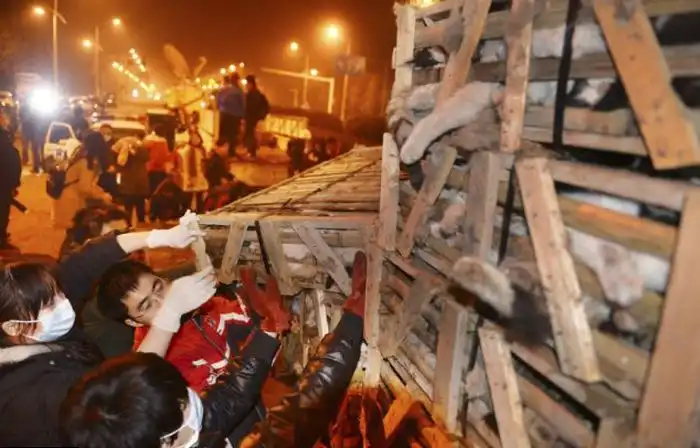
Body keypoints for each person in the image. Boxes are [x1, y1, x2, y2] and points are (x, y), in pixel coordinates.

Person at [60, 251, 367, 448]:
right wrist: (352, 324)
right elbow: (298, 414)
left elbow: (229, 396)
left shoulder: (168, 417)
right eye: (183, 401)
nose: (163, 302)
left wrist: (268, 332)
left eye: (159, 288)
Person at [0, 216, 216, 446]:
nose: (64, 302)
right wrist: (169, 314)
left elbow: (84, 263)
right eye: (51, 304)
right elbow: (125, 392)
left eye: (59, 293)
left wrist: (159, 237)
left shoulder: (34, 320)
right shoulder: (33, 394)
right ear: (13, 326)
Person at [95, 261, 289, 443]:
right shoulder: (155, 369)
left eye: (158, 287)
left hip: (283, 418)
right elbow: (219, 407)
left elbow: (253, 323)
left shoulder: (205, 306)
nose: (162, 301)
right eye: (147, 305)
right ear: (133, 322)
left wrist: (257, 309)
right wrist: (268, 334)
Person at [50, 139, 111, 233]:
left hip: (67, 199)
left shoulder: (81, 159)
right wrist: (102, 196)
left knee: (73, 232)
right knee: (76, 232)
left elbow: (85, 185)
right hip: (71, 202)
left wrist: (99, 191)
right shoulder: (86, 163)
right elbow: (84, 188)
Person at [115, 137, 150, 226]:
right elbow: (119, 163)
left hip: (138, 184)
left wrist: (134, 149)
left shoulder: (141, 150)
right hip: (129, 184)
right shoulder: (121, 153)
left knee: (139, 206)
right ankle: (129, 224)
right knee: (129, 207)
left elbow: (146, 157)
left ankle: (139, 223)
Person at [173, 130, 209, 213]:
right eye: (193, 138)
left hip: (199, 175)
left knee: (199, 196)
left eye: (197, 137)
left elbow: (204, 163)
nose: (196, 139)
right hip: (190, 176)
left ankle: (198, 211)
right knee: (189, 197)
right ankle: (188, 212)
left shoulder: (201, 150)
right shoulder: (187, 150)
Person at [0, 112, 21, 249]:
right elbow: (14, 164)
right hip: (4, 185)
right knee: (3, 211)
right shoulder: (7, 144)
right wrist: (14, 184)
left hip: (5, 183)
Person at [217, 74, 245, 156]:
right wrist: (242, 115)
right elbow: (243, 103)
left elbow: (219, 100)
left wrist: (221, 109)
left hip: (225, 114)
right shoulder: (239, 91)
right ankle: (231, 151)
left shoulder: (224, 90)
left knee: (225, 131)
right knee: (233, 133)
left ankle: (221, 143)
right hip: (235, 115)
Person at [244, 75, 270, 159]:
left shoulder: (253, 95)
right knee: (252, 135)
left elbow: (251, 107)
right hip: (255, 118)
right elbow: (266, 106)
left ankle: (251, 152)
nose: (246, 86)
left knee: (251, 135)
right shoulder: (258, 94)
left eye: (247, 84)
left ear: (251, 84)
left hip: (252, 118)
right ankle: (251, 152)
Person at [145, 124, 172, 202]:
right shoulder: (163, 141)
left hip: (150, 168)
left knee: (150, 189)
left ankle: (149, 203)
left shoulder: (148, 140)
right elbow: (165, 157)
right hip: (160, 169)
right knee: (157, 189)